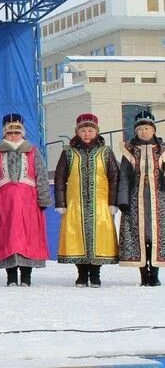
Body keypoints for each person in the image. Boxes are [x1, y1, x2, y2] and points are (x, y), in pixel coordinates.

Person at [0, 113, 51, 287]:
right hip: (4, 204)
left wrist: (43, 200)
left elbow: (41, 176)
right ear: (4, 134)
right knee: (7, 239)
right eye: (10, 132)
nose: (14, 135)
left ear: (23, 133)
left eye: (17, 132)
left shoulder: (33, 152)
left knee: (28, 239)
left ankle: (26, 276)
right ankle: (11, 275)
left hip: (29, 204)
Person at [54, 113, 119, 287]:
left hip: (100, 203)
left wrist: (113, 202)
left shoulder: (106, 152)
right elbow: (60, 177)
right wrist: (60, 202)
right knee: (77, 237)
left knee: (100, 238)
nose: (87, 134)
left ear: (96, 132)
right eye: (83, 130)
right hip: (75, 203)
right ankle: (82, 274)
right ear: (78, 132)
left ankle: (96, 274)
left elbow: (114, 177)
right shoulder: (68, 152)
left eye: (90, 130)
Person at [117, 110, 165, 286]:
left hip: (159, 201)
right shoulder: (129, 152)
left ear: (153, 130)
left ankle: (155, 274)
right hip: (135, 200)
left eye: (147, 128)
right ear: (135, 131)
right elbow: (124, 177)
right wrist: (123, 200)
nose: (144, 132)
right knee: (140, 236)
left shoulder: (162, 151)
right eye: (140, 129)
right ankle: (144, 274)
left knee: (156, 236)